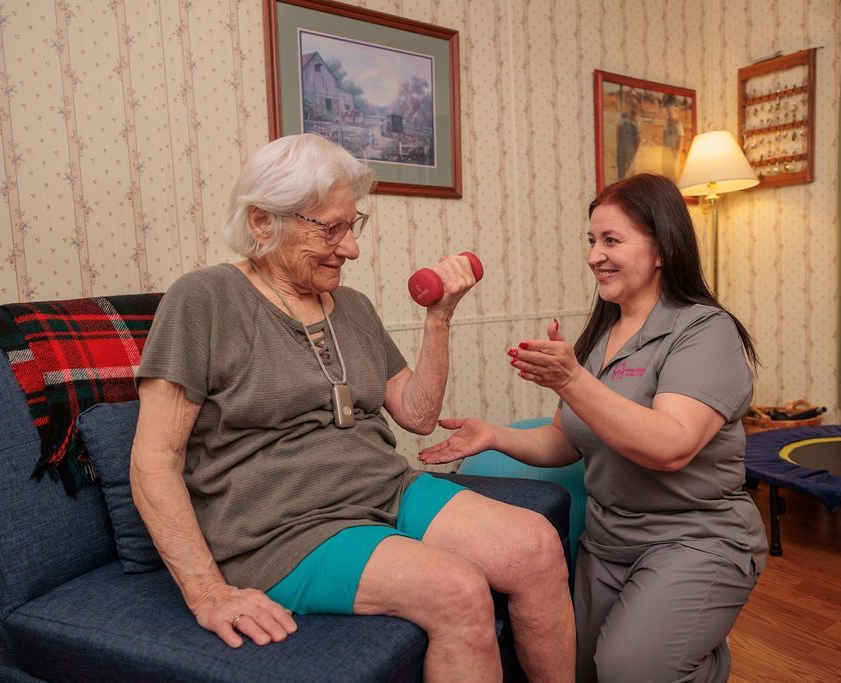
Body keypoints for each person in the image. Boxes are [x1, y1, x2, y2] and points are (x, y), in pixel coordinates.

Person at [129, 133, 574, 681]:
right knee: (458, 591)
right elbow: (154, 460)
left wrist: (439, 319)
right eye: (330, 229)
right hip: (282, 526)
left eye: (352, 225)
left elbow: (416, 415)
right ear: (263, 222)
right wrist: (207, 593)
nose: (351, 248)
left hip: (383, 488)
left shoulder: (353, 307)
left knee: (535, 546)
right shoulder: (204, 299)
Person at [420, 173, 767, 682]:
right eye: (591, 240)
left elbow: (671, 446)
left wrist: (572, 379)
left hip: (694, 538)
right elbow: (566, 439)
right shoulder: (601, 333)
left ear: (662, 249)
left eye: (612, 240)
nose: (594, 256)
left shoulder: (704, 331)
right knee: (567, 666)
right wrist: (494, 435)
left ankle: (701, 662)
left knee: (629, 670)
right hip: (607, 544)